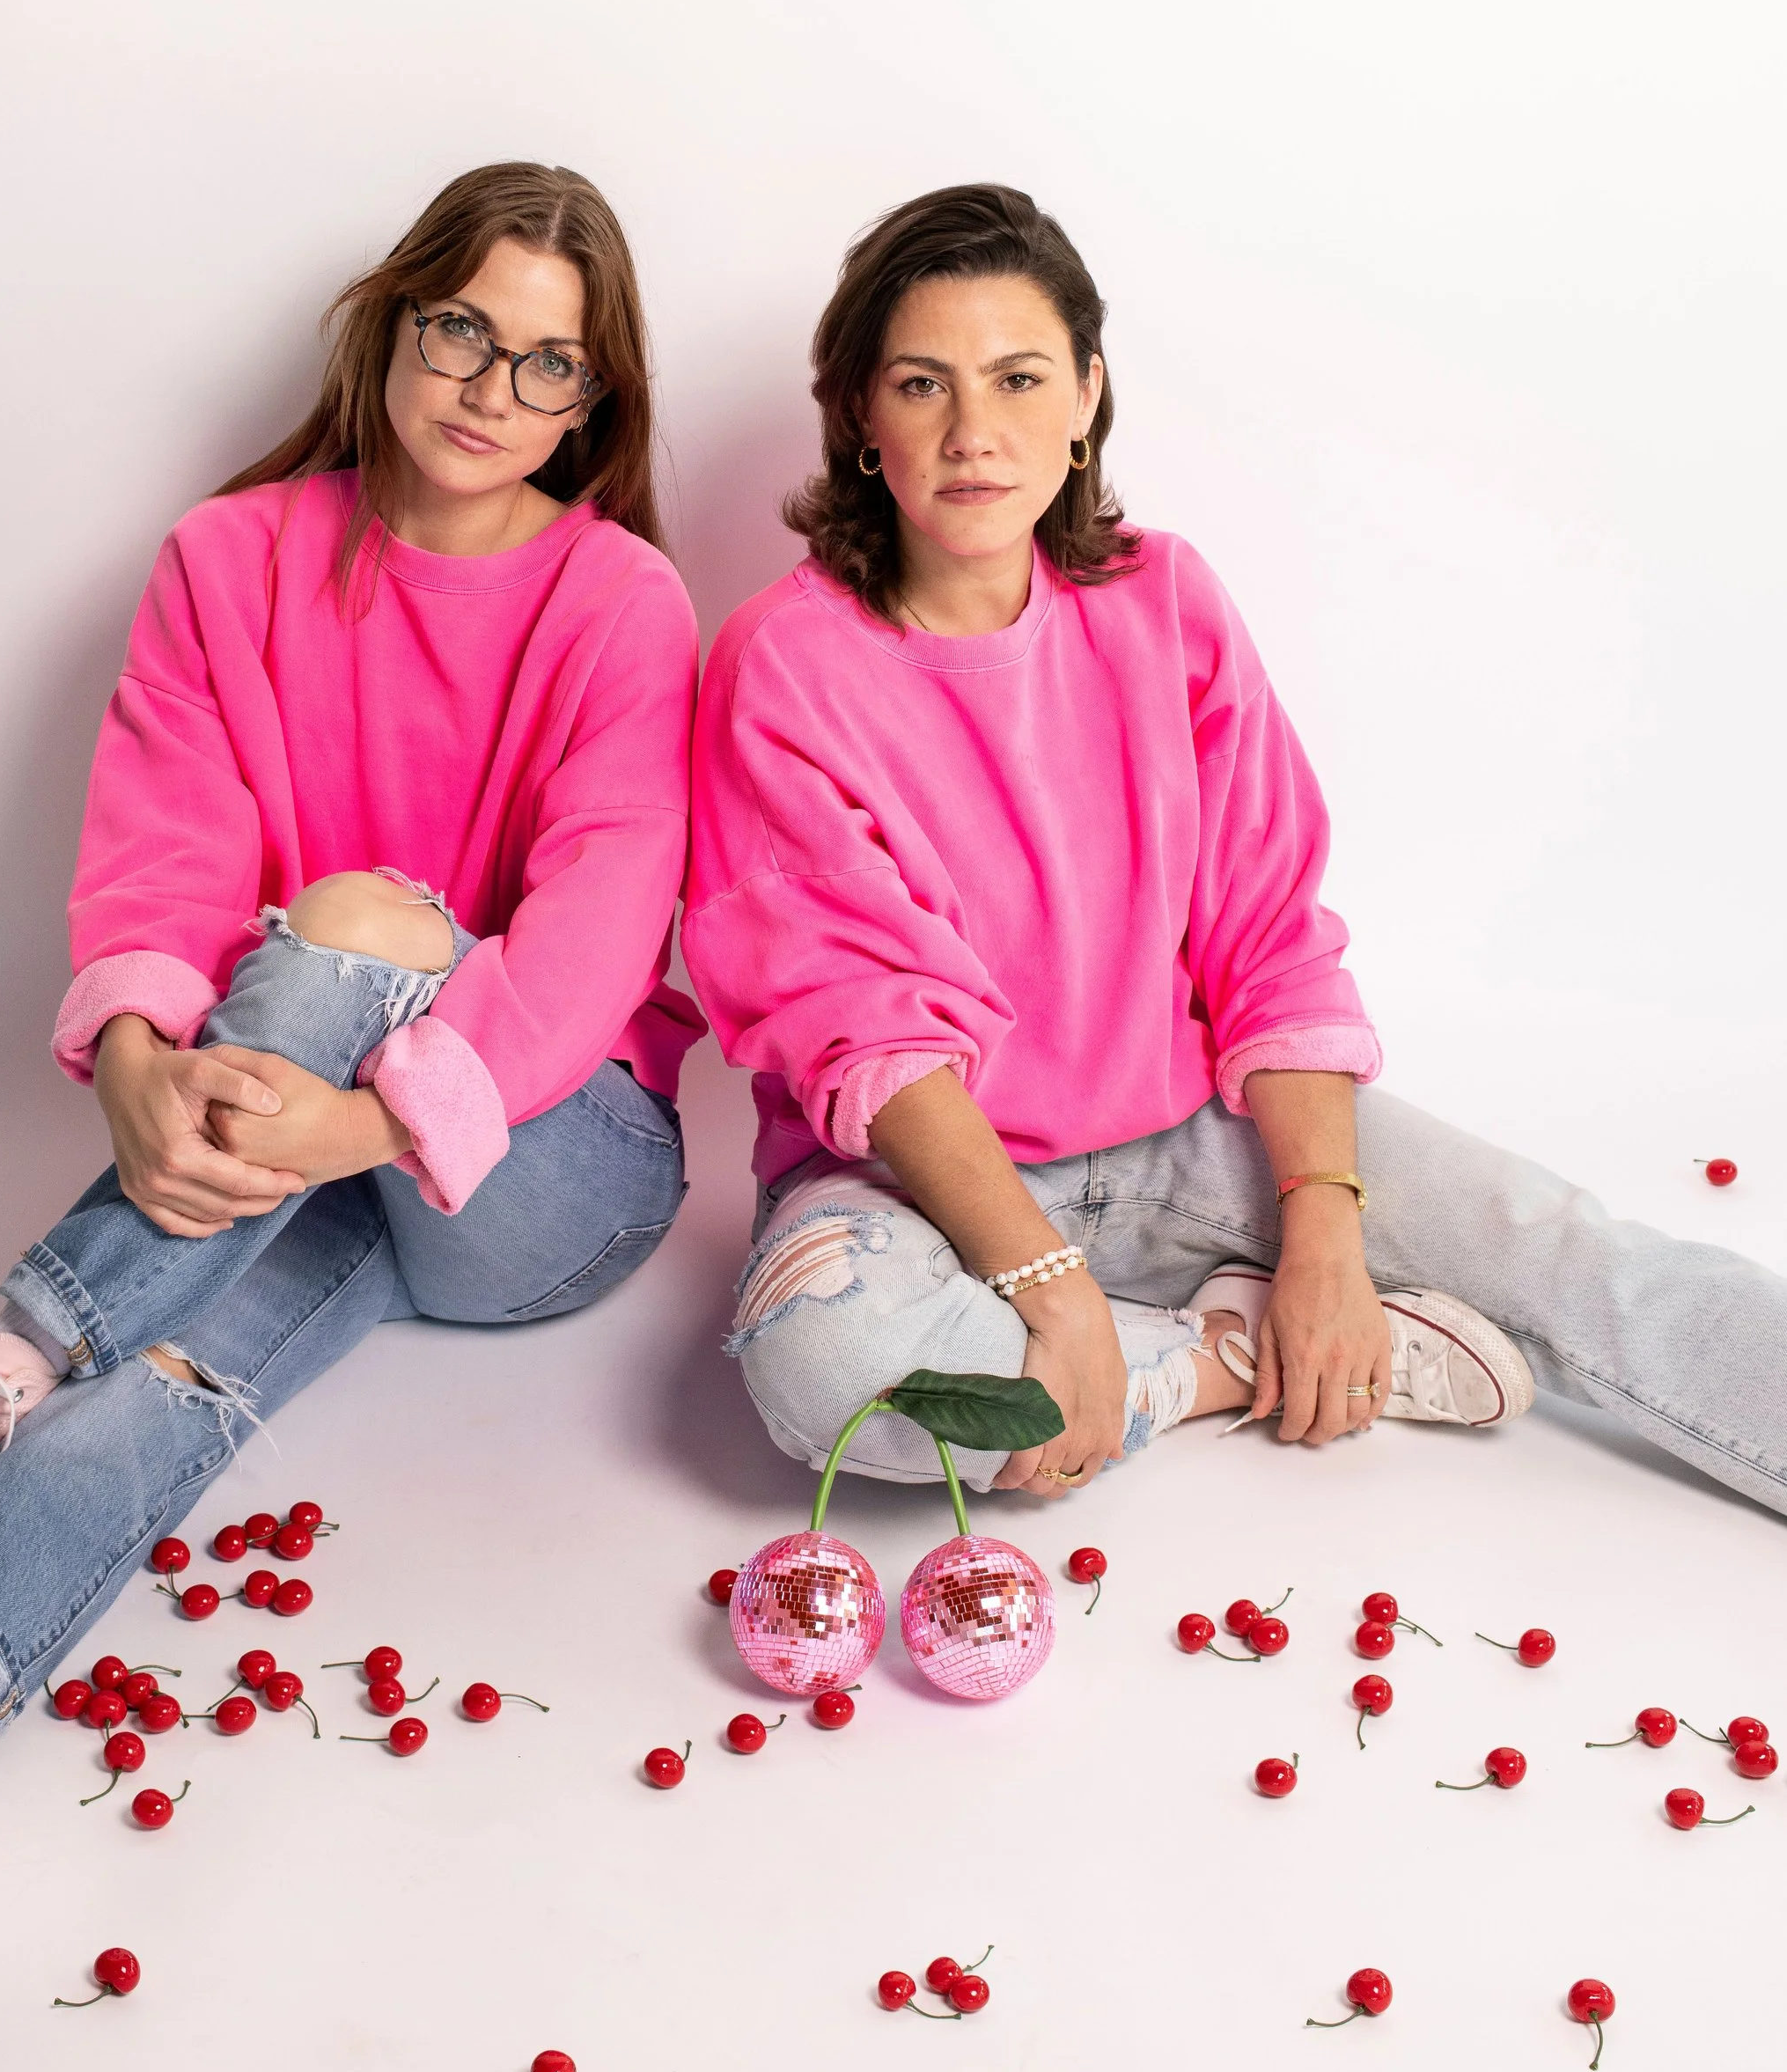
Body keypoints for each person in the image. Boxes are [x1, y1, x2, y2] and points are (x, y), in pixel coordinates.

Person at [0, 162, 702, 1983]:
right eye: (460, 326)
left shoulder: (618, 602)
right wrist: (140, 1064)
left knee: (362, 922)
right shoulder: (228, 563)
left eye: (547, 365)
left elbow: (597, 941)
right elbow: (162, 850)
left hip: (553, 1173)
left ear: (592, 405)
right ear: (390, 322)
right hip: (282, 1157)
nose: (489, 386)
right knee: (191, 1363)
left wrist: (373, 1113)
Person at [685, 182, 1786, 1530]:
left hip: (1191, 1130)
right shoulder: (783, 665)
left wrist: (1324, 1230)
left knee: (1563, 1248)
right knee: (836, 1373)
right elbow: (866, 1030)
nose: (974, 433)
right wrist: (1047, 1285)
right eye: (922, 384)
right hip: (909, 1184)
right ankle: (1214, 1358)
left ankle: (1283, 1317)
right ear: (861, 413)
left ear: (1086, 393)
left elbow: (1268, 932)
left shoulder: (1167, 600)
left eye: (1019, 377)